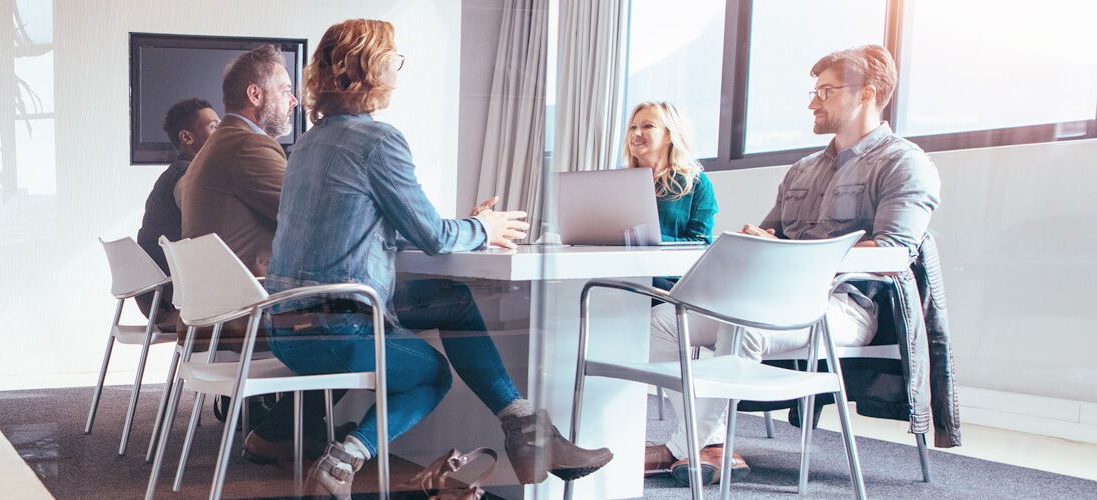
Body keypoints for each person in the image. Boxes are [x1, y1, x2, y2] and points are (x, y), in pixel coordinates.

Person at [258, 19, 608, 498]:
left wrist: (459, 227)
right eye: (394, 58)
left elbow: (368, 231)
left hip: (284, 328)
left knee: (453, 298)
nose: (399, 69)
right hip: (335, 331)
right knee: (433, 373)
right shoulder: (378, 141)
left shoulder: (304, 146)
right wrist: (486, 228)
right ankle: (343, 461)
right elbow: (432, 237)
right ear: (370, 66)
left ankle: (528, 430)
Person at [642, 44, 940, 486]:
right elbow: (773, 236)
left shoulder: (905, 163)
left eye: (825, 91)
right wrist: (762, 241)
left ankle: (680, 448)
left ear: (866, 94)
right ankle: (711, 441)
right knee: (661, 323)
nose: (811, 102)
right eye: (814, 91)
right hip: (770, 299)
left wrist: (793, 255)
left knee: (743, 322)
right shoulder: (801, 169)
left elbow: (895, 252)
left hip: (848, 305)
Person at [175, 45, 297, 430]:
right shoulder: (250, 145)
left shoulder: (218, 144)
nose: (294, 100)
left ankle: (289, 430)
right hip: (242, 322)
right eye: (286, 89)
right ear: (256, 95)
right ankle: (283, 431)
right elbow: (309, 220)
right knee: (353, 329)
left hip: (210, 321)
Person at [134, 98, 218, 329]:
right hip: (172, 302)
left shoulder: (176, 173)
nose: (222, 134)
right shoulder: (187, 177)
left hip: (157, 295)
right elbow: (205, 229)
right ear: (187, 137)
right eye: (213, 126)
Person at [625, 101, 716, 244]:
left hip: (669, 264)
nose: (636, 133)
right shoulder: (618, 182)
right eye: (632, 127)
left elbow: (701, 243)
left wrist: (646, 240)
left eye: (648, 126)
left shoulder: (696, 183)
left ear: (670, 135)